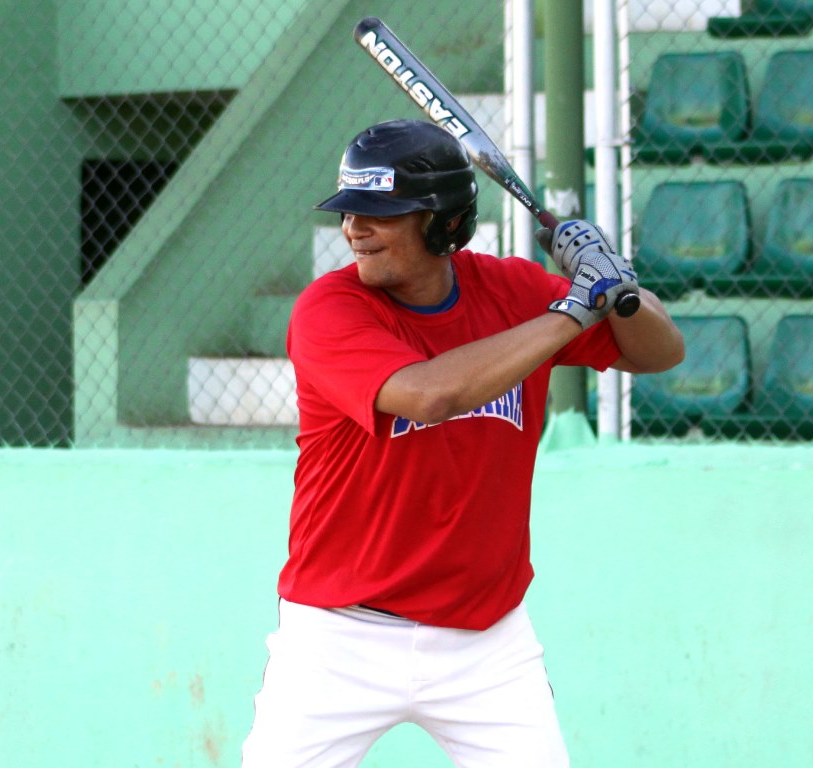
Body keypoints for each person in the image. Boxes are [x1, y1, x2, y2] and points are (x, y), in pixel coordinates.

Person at [242, 118, 684, 767]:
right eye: (349, 211)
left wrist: (623, 291)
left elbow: (659, 353)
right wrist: (572, 310)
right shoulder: (328, 309)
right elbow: (430, 395)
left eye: (380, 213)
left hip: (485, 640)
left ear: (444, 223)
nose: (354, 229)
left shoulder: (512, 292)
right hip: (339, 634)